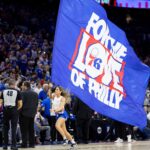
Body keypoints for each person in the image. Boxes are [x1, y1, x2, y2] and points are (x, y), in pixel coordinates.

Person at [0, 79, 22, 150]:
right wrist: (16, 109)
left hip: (5, 110)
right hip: (14, 110)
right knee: (14, 128)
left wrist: (4, 108)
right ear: (14, 84)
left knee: (5, 128)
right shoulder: (17, 91)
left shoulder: (3, 91)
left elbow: (0, 102)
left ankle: (5, 145)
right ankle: (13, 145)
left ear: (8, 84)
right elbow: (20, 104)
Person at [19, 81, 38, 148]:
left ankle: (24, 144)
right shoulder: (35, 94)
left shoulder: (23, 93)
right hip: (32, 114)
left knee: (24, 130)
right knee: (31, 129)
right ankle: (32, 144)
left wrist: (19, 113)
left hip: (24, 114)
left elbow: (21, 104)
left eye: (22, 85)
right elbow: (36, 104)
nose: (22, 87)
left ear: (25, 86)